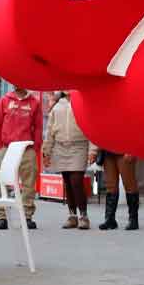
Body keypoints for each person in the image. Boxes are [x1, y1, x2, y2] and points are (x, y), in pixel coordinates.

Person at [0, 85, 42, 230]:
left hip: (27, 149)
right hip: (6, 148)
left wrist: (35, 148)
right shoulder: (4, 101)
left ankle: (27, 216)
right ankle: (2, 216)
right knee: (1, 181)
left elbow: (38, 127)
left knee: (29, 183)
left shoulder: (34, 103)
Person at [42, 92, 96, 230]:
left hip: (79, 147)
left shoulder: (84, 103)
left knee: (76, 181)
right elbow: (49, 131)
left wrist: (93, 150)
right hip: (60, 148)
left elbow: (92, 127)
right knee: (67, 182)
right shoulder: (56, 107)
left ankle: (84, 216)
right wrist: (46, 152)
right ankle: (72, 216)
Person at [99, 149, 140, 230]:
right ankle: (110, 219)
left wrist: (132, 149)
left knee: (129, 185)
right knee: (110, 186)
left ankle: (133, 219)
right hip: (108, 151)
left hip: (125, 150)